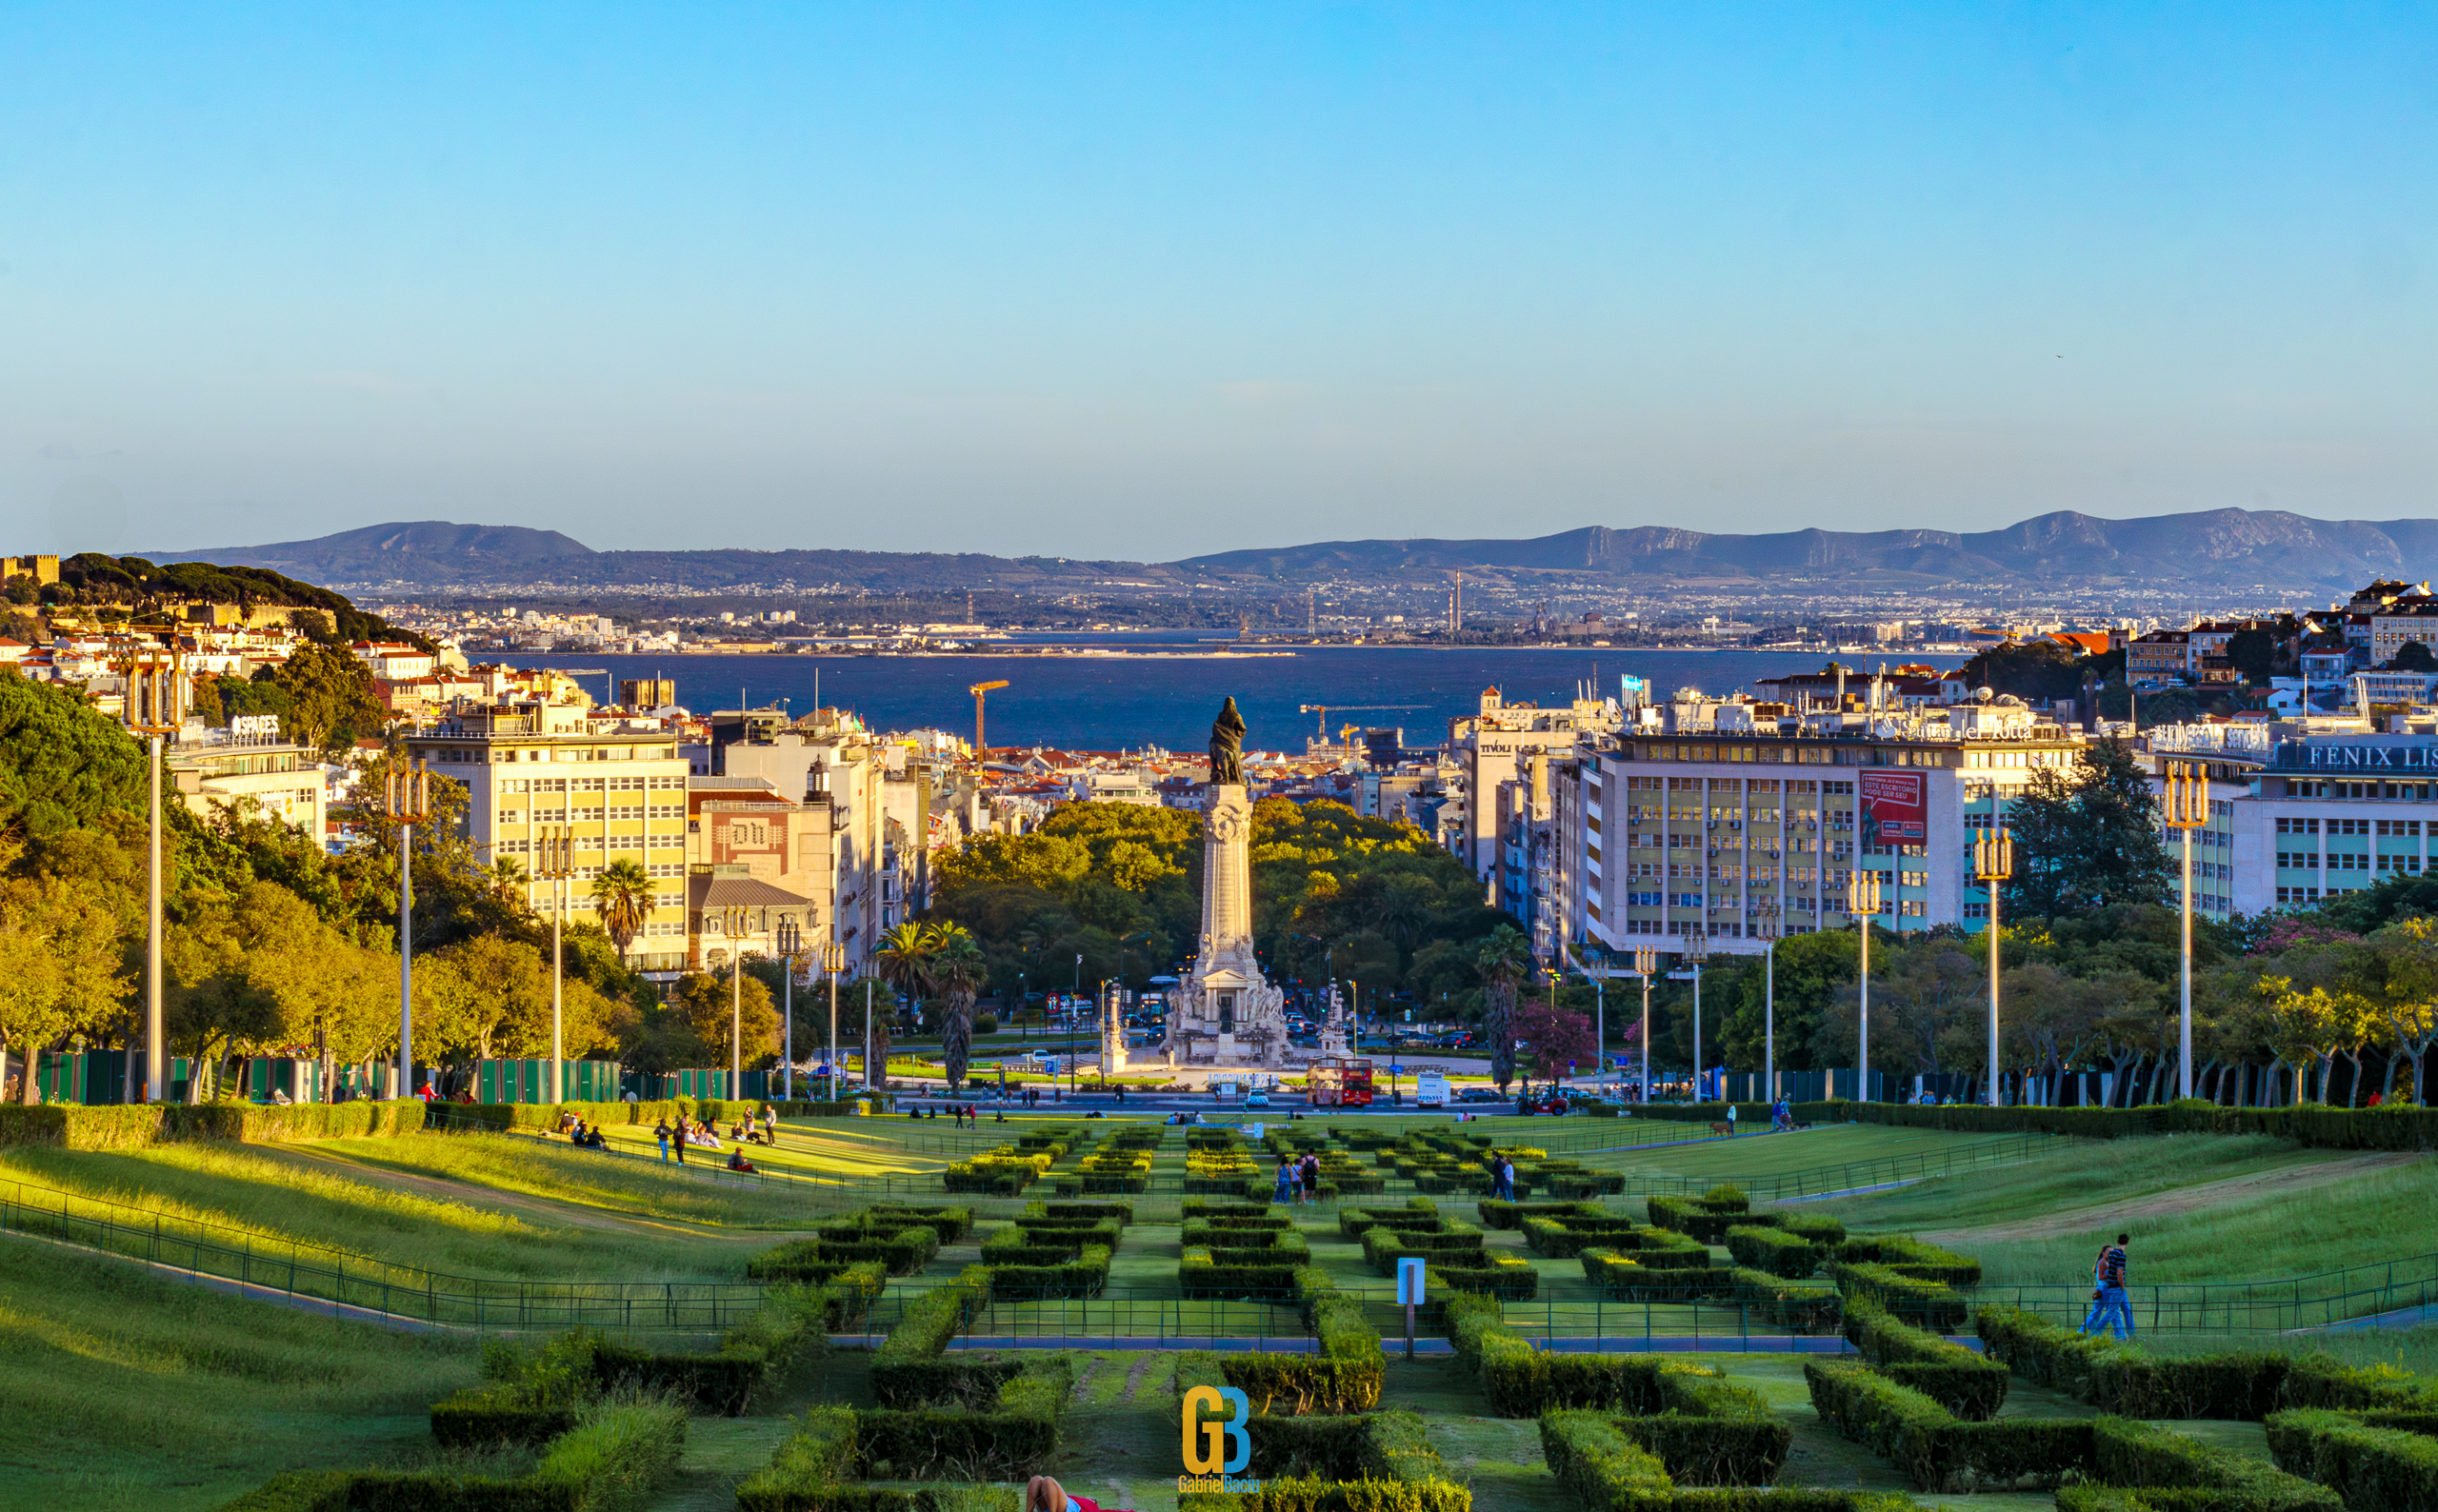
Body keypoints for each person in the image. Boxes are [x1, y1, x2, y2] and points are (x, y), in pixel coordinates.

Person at [2080, 1233, 2134, 1341]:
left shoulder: (2107, 1262)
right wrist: (2112, 1275)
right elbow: (2100, 1277)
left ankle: (2120, 1334)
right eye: (2109, 1252)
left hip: (2106, 1288)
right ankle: (2092, 1332)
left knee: (2108, 1312)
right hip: (2104, 1289)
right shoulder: (2102, 1263)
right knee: (2107, 1312)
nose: (2110, 1254)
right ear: (2104, 1253)